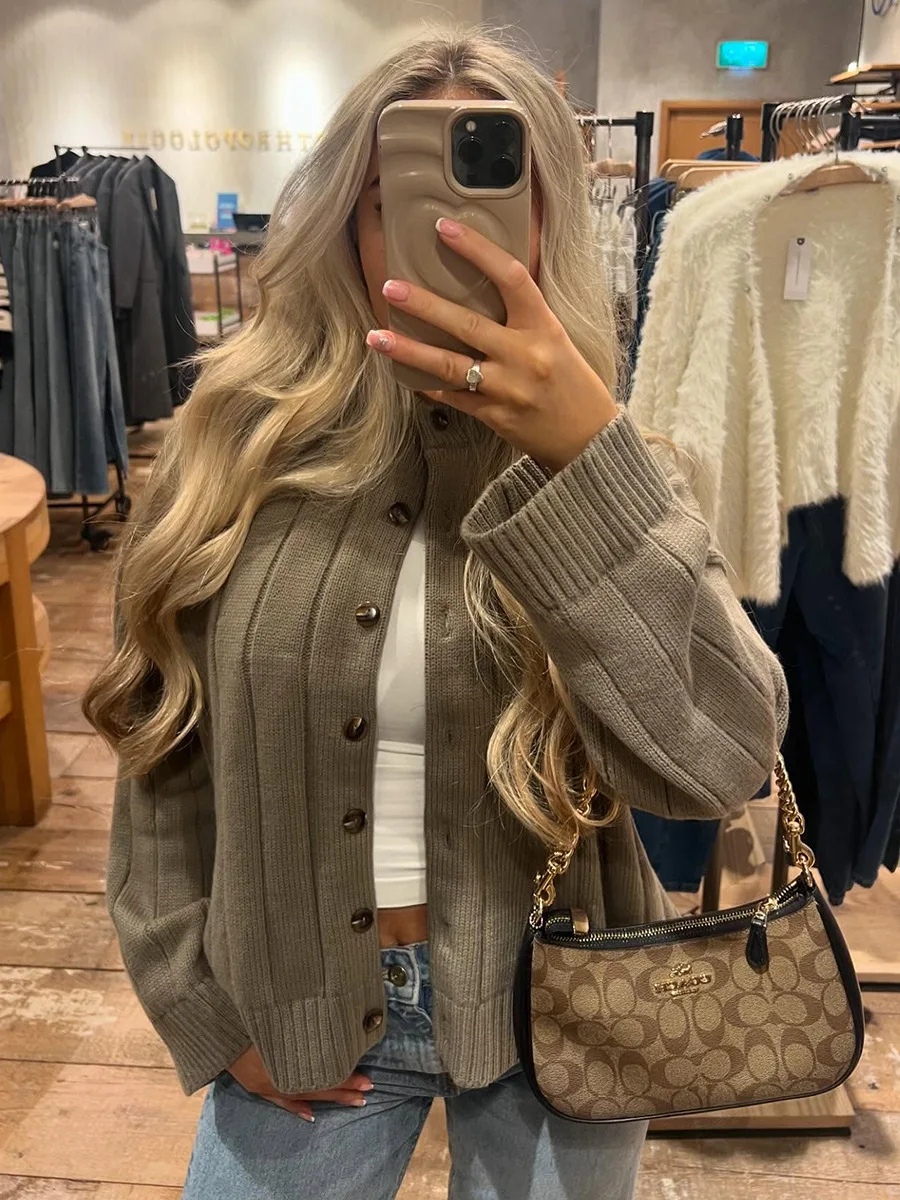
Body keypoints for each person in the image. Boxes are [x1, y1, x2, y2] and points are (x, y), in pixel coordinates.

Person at [84, 29, 788, 1200]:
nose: (450, 239)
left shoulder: (620, 461)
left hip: (568, 1007)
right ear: (346, 225)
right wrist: (195, 1000)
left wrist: (586, 461)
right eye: (393, 204)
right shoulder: (236, 448)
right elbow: (164, 747)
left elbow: (720, 761)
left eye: (497, 200)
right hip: (299, 1006)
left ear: (550, 223)